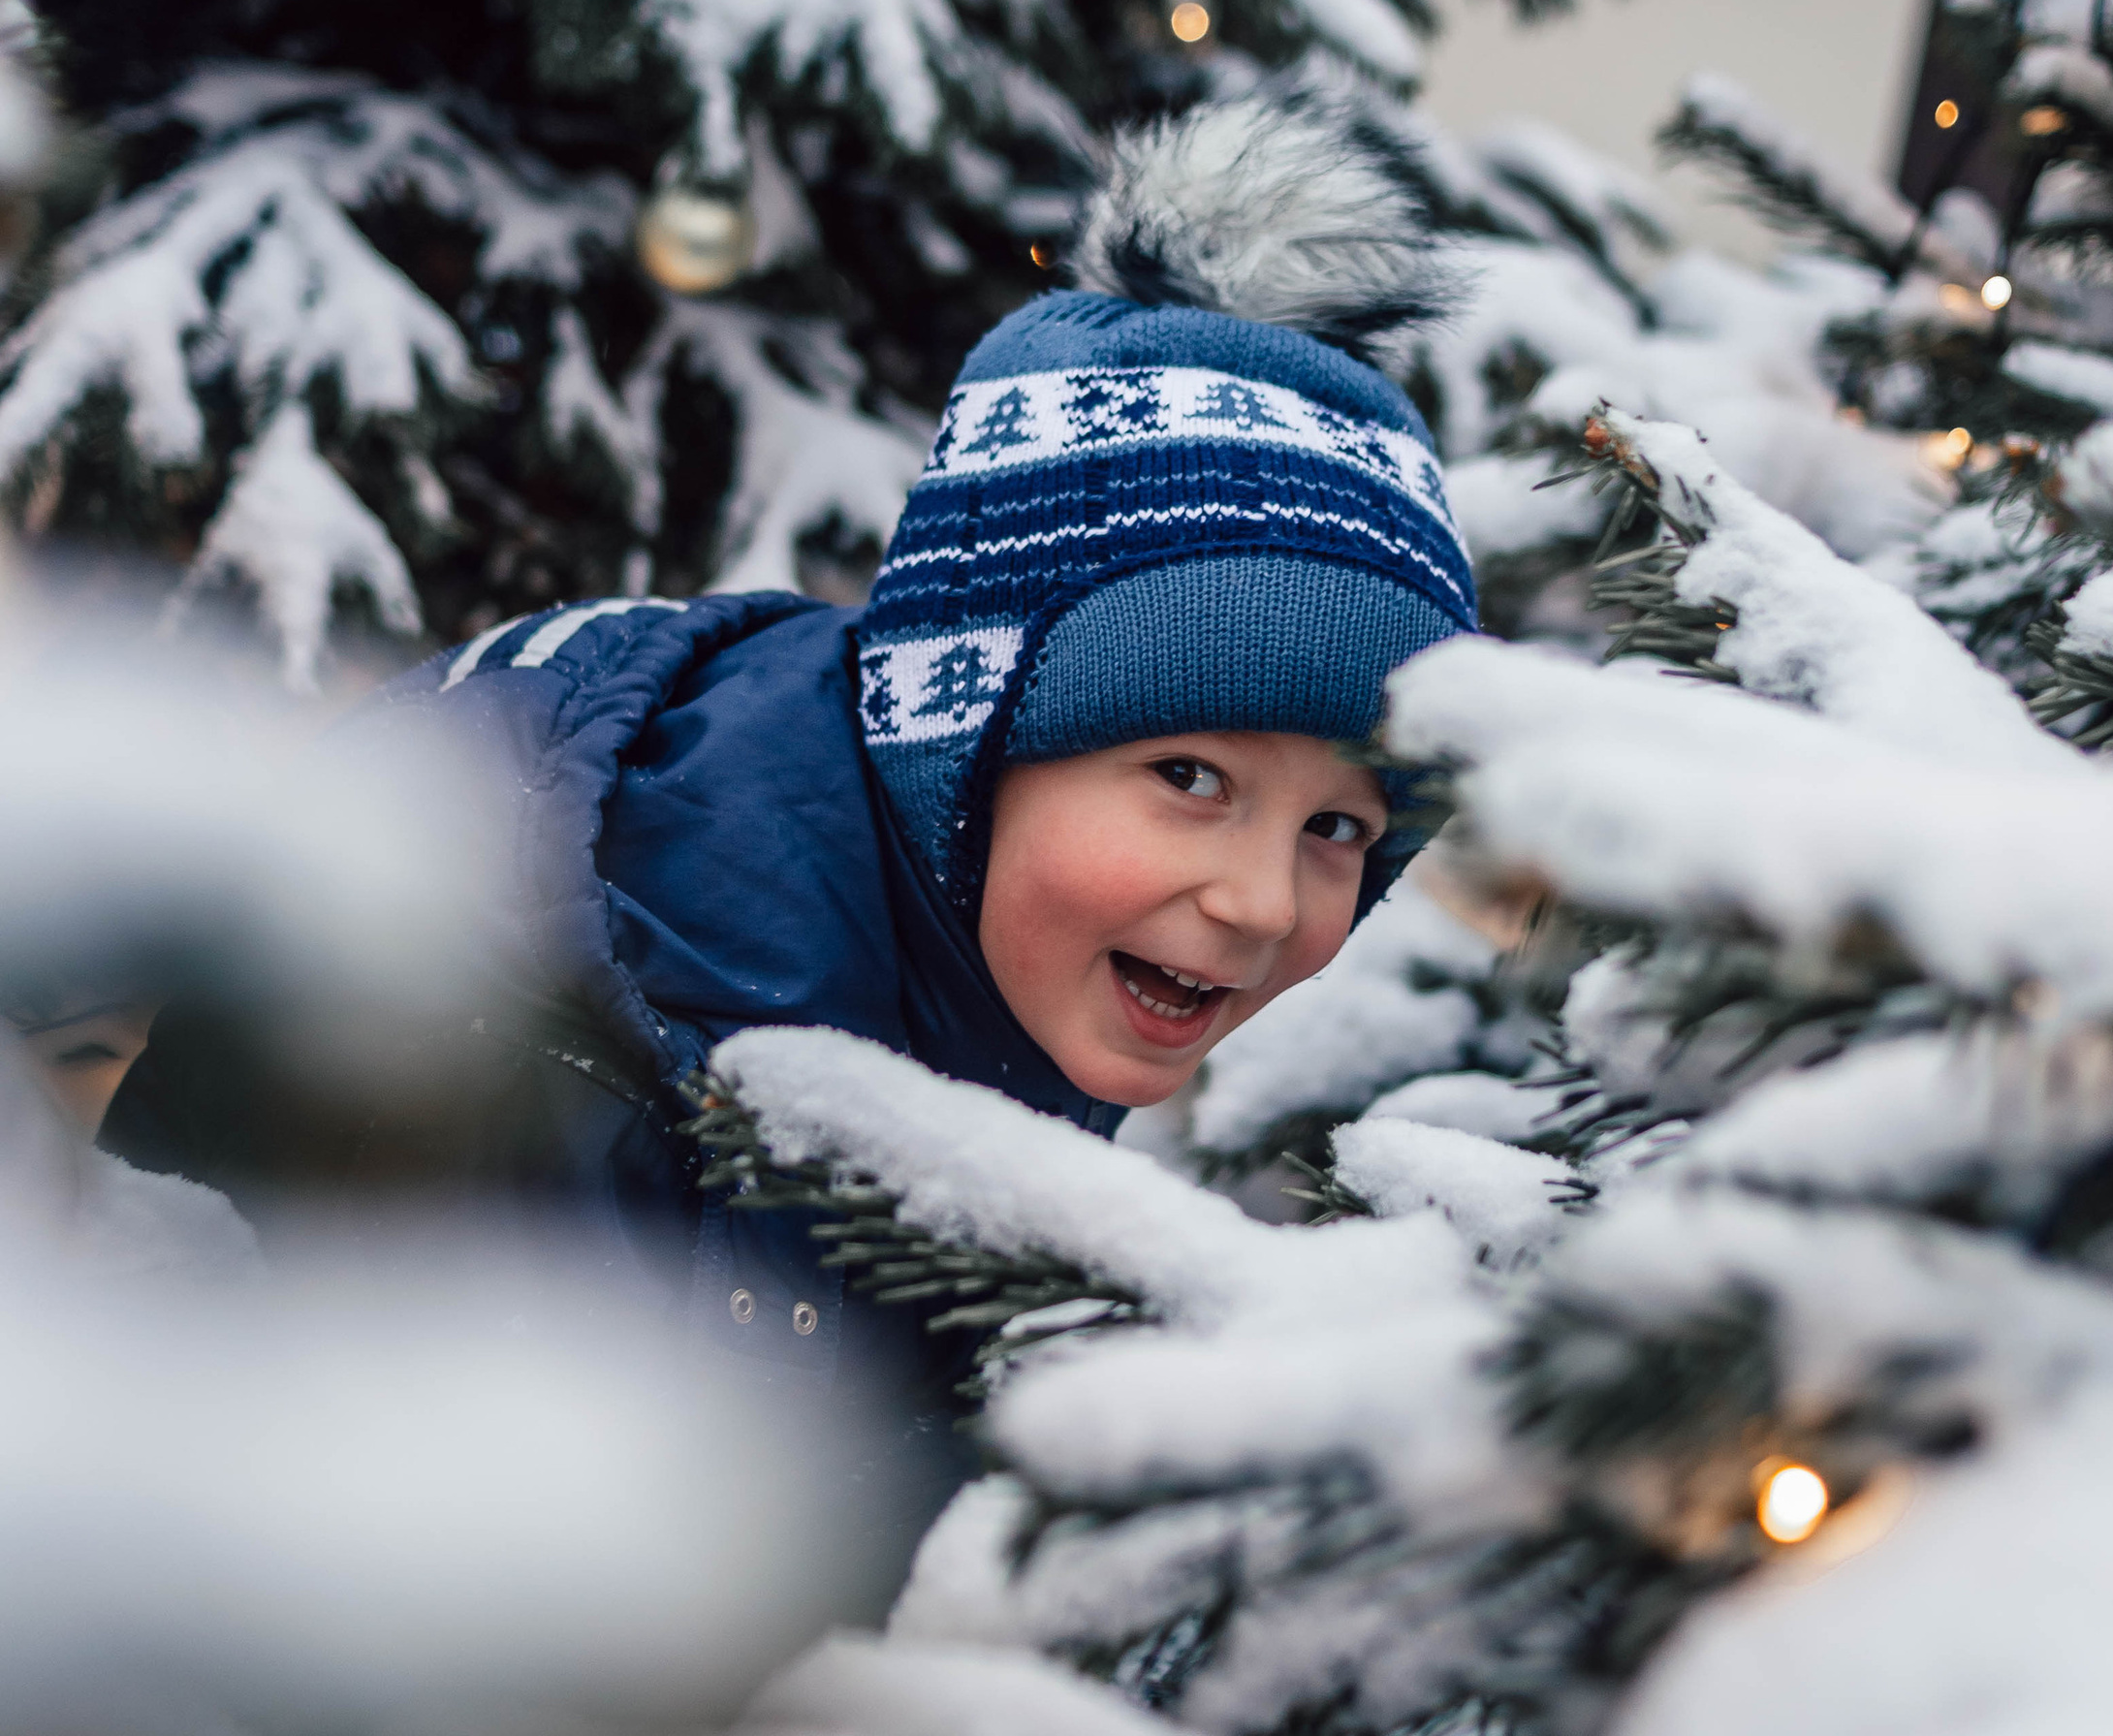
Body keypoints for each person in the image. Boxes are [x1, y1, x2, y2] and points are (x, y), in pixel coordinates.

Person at [101, 105, 1479, 1589]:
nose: (1264, 900)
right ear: (966, 733)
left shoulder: (977, 968)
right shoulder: (590, 1038)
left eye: (1341, 826)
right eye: (1191, 776)